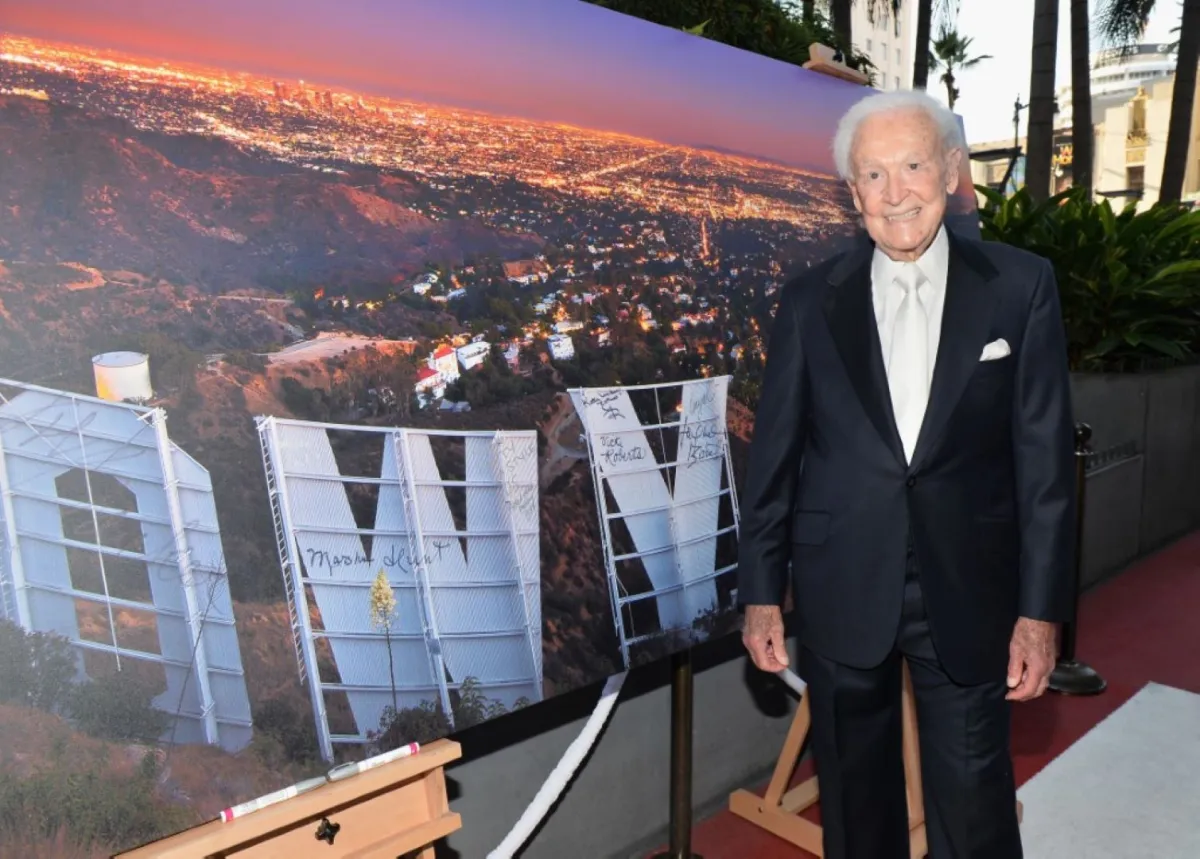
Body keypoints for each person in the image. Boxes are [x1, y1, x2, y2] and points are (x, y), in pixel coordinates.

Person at [736, 89, 1075, 859]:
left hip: (969, 586)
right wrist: (761, 593)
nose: (896, 195)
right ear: (852, 194)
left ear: (952, 170)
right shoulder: (807, 303)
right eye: (874, 175)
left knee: (975, 806)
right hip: (840, 583)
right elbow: (775, 459)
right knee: (856, 807)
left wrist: (1041, 612)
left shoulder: (1020, 287)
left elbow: (1046, 466)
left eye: (914, 165)